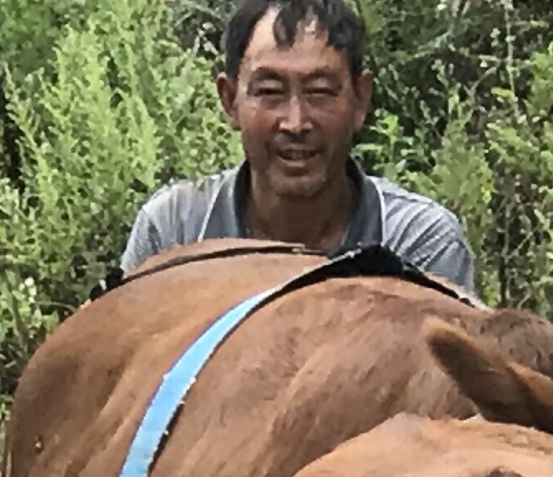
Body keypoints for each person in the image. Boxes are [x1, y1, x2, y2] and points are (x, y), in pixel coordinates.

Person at [120, 0, 477, 295]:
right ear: (229, 101)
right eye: (270, 92)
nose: (295, 123)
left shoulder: (417, 244)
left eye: (320, 91)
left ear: (360, 99)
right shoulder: (174, 233)